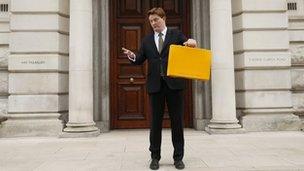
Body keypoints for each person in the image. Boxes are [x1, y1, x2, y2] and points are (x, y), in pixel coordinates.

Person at [122, 7, 197, 170]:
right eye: (151, 21)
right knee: (155, 123)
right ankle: (155, 157)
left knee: (177, 122)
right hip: (155, 86)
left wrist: (192, 42)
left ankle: (178, 157)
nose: (153, 23)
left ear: (164, 18)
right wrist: (131, 55)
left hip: (174, 85)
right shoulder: (147, 40)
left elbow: (188, 46)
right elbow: (140, 59)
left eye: (156, 19)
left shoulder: (176, 34)